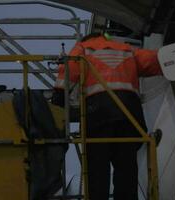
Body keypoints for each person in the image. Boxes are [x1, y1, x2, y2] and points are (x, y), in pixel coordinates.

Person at [52, 33, 162, 200]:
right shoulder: (126, 49)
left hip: (98, 115)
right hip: (129, 116)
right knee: (126, 168)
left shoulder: (83, 48)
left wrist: (58, 99)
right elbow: (153, 60)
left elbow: (70, 69)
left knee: (97, 169)